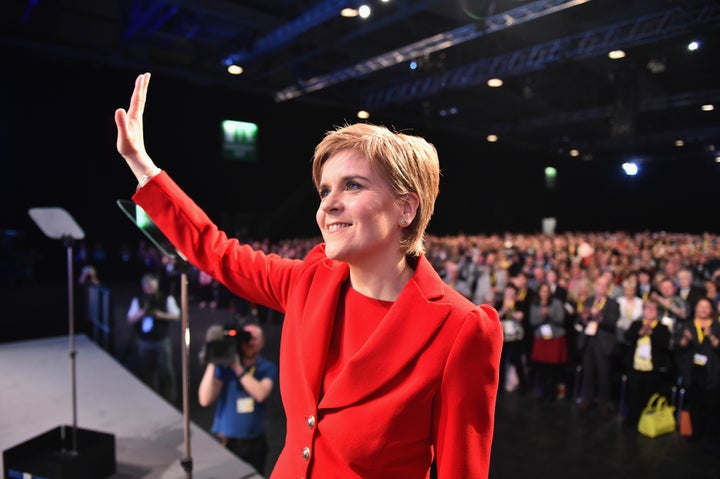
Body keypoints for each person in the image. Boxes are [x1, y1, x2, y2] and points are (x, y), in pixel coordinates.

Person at [115, 72, 503, 479]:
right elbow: (217, 252)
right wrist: (142, 166)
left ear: (406, 209)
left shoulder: (460, 329)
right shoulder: (309, 280)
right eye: (324, 191)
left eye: (351, 186)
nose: (328, 205)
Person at [198, 322, 278, 475]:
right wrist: (213, 360)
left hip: (255, 442)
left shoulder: (266, 368)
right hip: (227, 442)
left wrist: (237, 368)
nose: (250, 342)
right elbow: (204, 399)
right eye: (246, 338)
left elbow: (261, 394)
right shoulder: (224, 367)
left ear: (263, 343)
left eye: (255, 339)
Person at [126, 272, 181, 404]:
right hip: (144, 340)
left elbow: (177, 316)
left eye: (152, 286)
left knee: (166, 371)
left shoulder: (166, 299)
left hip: (162, 340)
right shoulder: (138, 300)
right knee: (147, 371)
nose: (150, 289)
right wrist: (142, 313)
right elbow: (130, 319)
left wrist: (161, 315)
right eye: (147, 286)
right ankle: (151, 398)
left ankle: (170, 399)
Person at [675, 297, 720, 442]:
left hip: (711, 371)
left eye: (707, 307)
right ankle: (695, 433)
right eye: (701, 306)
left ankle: (709, 435)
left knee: (710, 405)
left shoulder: (717, 326)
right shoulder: (688, 325)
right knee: (694, 403)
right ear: (696, 308)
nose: (703, 309)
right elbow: (679, 345)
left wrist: (711, 335)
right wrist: (685, 340)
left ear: (711, 310)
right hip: (692, 370)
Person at [622, 299, 672, 427]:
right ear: (643, 310)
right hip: (636, 367)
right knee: (633, 394)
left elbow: (664, 344)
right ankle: (632, 420)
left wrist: (651, 333)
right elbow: (627, 337)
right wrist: (640, 333)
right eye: (647, 308)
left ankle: (646, 422)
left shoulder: (662, 327)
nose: (650, 311)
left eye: (653, 309)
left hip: (652, 369)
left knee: (649, 396)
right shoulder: (637, 324)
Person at [575, 273, 620, 416]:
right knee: (588, 372)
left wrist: (598, 316)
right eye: (598, 285)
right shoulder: (588, 300)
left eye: (603, 286)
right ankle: (587, 399)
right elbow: (580, 320)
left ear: (607, 288)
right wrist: (584, 318)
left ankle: (603, 403)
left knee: (604, 373)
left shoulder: (613, 303)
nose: (600, 288)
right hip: (589, 340)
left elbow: (612, 323)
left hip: (604, 342)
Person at [529, 282, 567, 401]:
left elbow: (561, 319)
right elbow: (532, 321)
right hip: (541, 338)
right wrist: (542, 316)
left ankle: (552, 392)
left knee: (553, 368)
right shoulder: (535, 303)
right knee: (542, 368)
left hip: (555, 338)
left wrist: (549, 314)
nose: (544, 293)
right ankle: (543, 391)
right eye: (542, 291)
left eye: (546, 291)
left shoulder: (557, 303)